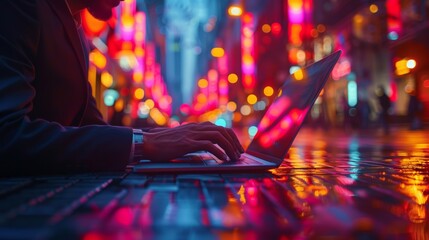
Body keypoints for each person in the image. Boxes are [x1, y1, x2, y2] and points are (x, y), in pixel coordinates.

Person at [0, 0, 243, 176]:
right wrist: (143, 143)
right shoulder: (20, 7)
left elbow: (88, 125)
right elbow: (7, 136)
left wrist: (162, 136)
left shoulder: (72, 24)